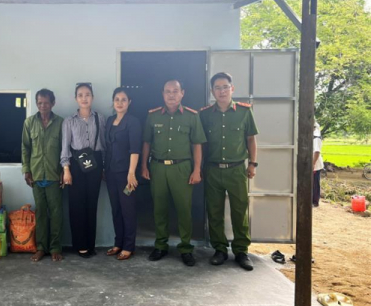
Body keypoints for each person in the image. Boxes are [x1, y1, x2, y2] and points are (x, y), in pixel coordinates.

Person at [141, 79, 206, 266]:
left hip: (182, 168)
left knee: (184, 209)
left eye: (175, 91)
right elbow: (147, 142)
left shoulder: (192, 116)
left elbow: (197, 144)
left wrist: (196, 170)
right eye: (168, 91)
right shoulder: (153, 116)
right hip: (158, 168)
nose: (171, 95)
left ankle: (186, 248)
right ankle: (160, 245)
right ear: (162, 94)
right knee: (159, 209)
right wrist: (144, 166)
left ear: (182, 93)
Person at [200, 72, 259, 271]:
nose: (222, 91)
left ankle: (241, 251)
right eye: (218, 87)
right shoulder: (205, 114)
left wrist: (252, 164)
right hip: (212, 170)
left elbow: (251, 139)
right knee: (214, 211)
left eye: (225, 87)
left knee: (239, 211)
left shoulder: (244, 112)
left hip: (236, 170)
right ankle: (220, 249)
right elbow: (201, 144)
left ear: (232, 88)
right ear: (212, 91)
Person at [61, 82, 106, 258]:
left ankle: (90, 243)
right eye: (80, 95)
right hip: (75, 167)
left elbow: (104, 145)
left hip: (95, 165)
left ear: (92, 97)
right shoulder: (69, 121)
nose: (84, 98)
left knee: (91, 205)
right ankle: (80, 245)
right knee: (76, 206)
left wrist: (104, 167)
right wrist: (66, 170)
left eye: (87, 94)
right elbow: (65, 147)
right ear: (75, 99)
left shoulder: (100, 118)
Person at [21, 89, 65, 262]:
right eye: (39, 103)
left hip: (55, 175)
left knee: (56, 213)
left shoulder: (61, 122)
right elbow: (25, 148)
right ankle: (41, 248)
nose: (42, 106)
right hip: (36, 174)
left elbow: (65, 149)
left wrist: (64, 170)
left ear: (52, 103)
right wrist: (26, 169)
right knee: (40, 213)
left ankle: (55, 248)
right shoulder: (29, 123)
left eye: (46, 102)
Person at [104, 88, 142, 260]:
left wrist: (131, 173)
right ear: (113, 102)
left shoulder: (133, 122)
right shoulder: (110, 121)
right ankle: (118, 243)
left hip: (126, 174)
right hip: (111, 172)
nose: (120, 102)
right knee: (116, 209)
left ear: (129, 102)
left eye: (124, 99)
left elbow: (135, 149)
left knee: (128, 210)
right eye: (117, 99)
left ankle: (128, 246)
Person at [313, 121, 324, 207]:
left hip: (315, 164)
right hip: (314, 164)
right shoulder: (313, 136)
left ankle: (315, 202)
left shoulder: (316, 138)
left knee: (315, 184)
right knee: (312, 183)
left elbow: (317, 152)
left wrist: (313, 164)